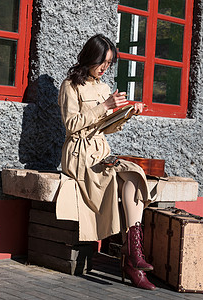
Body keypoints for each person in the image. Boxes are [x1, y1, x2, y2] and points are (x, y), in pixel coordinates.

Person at [58, 34, 155, 290]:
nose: (105, 68)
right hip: (79, 154)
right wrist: (105, 106)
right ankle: (131, 262)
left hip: (101, 150)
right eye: (103, 62)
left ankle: (133, 252)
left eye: (109, 64)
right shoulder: (70, 85)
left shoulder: (102, 87)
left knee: (134, 174)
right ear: (91, 57)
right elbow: (71, 125)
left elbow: (107, 128)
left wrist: (126, 114)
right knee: (114, 179)